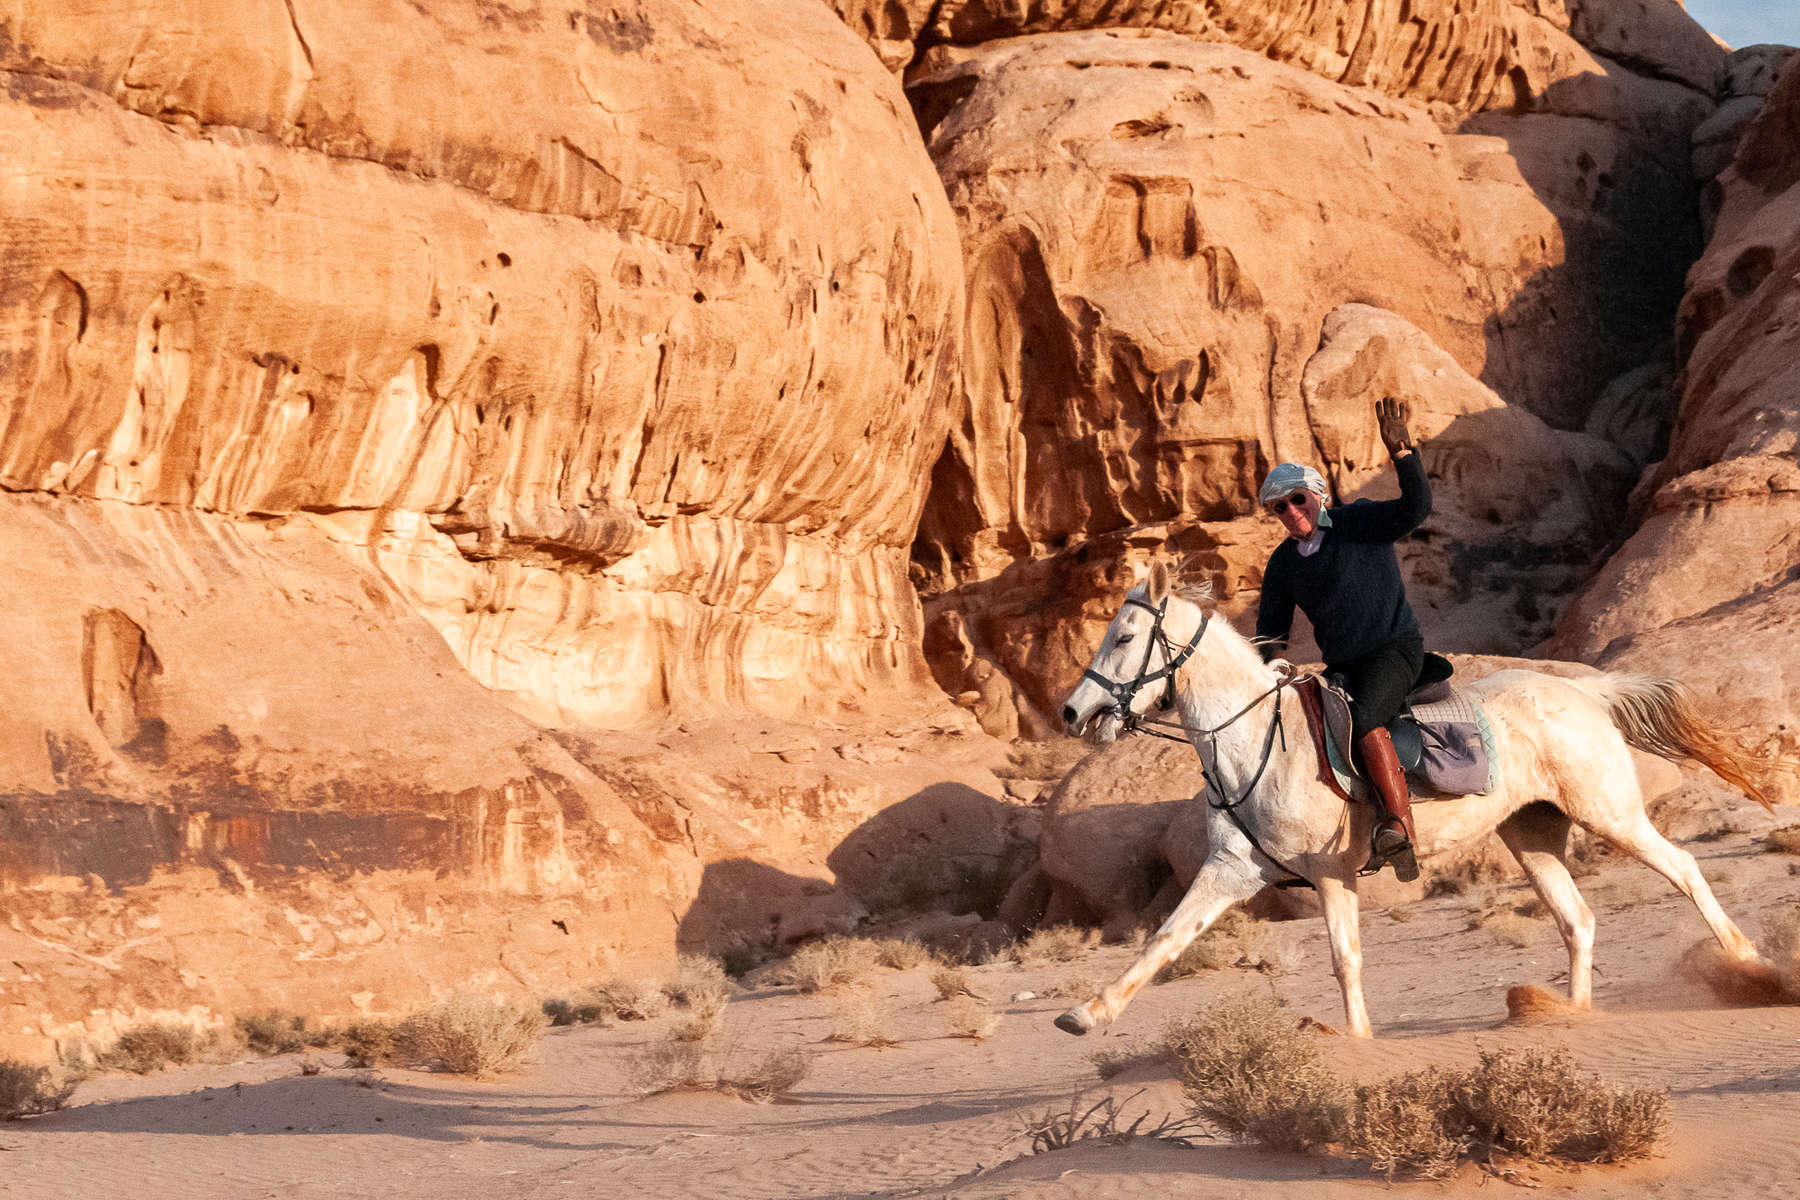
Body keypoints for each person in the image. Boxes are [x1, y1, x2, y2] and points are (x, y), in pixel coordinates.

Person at [1254, 397, 1430, 881]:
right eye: (1279, 508)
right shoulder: (1283, 563)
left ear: (1318, 495)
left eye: (1297, 499)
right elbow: (1270, 629)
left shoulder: (1358, 521)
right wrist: (1275, 665)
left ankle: (1400, 828)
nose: (1290, 512)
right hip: (1343, 666)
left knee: (1366, 718)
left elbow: (1416, 509)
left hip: (1394, 651)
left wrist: (1403, 455)